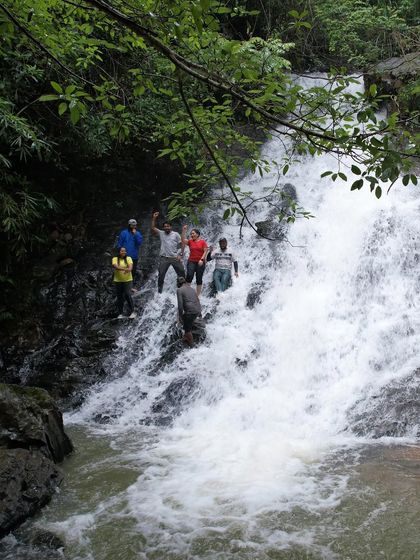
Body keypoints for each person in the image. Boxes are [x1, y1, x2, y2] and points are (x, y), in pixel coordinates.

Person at [151, 211, 185, 293]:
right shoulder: (161, 233)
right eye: (165, 226)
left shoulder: (176, 234)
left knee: (182, 273)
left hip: (174, 257)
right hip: (164, 258)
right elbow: (153, 228)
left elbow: (182, 244)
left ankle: (181, 289)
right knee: (161, 275)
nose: (166, 228)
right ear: (163, 228)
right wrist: (154, 218)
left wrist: (180, 254)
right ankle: (159, 291)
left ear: (171, 227)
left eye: (168, 226)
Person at [181, 225, 209, 297]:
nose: (191, 235)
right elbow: (183, 240)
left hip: (200, 262)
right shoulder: (190, 241)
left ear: (197, 234)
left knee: (199, 278)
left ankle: (197, 296)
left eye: (193, 233)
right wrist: (184, 230)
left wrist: (202, 259)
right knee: (189, 276)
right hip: (191, 261)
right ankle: (187, 294)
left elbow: (205, 251)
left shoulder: (202, 242)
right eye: (191, 234)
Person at [117, 219, 143, 287]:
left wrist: (135, 234)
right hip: (124, 255)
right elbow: (119, 243)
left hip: (134, 256)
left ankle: (130, 287)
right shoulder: (124, 233)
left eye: (135, 225)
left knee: (132, 272)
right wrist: (120, 253)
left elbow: (139, 242)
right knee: (122, 270)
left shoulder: (138, 233)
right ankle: (121, 285)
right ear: (129, 225)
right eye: (132, 225)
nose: (133, 227)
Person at [176, 276, 202, 346]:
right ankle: (185, 336)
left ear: (178, 283)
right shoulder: (192, 289)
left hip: (190, 312)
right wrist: (200, 314)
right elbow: (198, 300)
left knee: (187, 329)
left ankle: (191, 345)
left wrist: (180, 317)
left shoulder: (179, 290)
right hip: (197, 310)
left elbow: (180, 305)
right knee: (187, 321)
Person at [112, 247, 136, 319]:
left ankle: (133, 312)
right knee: (119, 297)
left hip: (127, 280)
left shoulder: (128, 258)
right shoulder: (115, 259)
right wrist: (125, 269)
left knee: (127, 294)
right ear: (119, 252)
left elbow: (130, 267)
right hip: (118, 280)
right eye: (122, 251)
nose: (124, 252)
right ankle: (120, 313)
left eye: (125, 251)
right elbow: (116, 266)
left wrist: (128, 269)